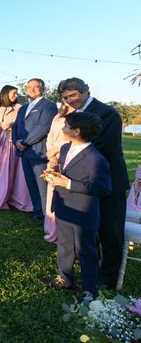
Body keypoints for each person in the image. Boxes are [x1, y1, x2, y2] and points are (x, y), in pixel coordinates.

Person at [57, 77, 130, 290]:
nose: (71, 100)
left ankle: (107, 277)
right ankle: (90, 268)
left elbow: (101, 147)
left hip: (108, 181)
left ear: (86, 90)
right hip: (79, 182)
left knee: (109, 229)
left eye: (73, 95)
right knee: (88, 228)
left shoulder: (108, 113)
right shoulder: (72, 115)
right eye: (65, 97)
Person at [46, 112, 112, 303]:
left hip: (83, 213)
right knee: (64, 245)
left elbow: (103, 188)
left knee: (86, 251)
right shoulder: (66, 147)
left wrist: (68, 184)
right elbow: (65, 170)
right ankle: (65, 279)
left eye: (66, 126)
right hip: (63, 206)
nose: (63, 128)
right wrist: (54, 173)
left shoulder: (96, 159)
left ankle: (89, 290)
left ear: (77, 131)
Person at [12, 78, 57, 222]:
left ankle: (47, 217)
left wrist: (25, 142)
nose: (31, 89)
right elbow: (15, 126)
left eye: (35, 87)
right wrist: (16, 142)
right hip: (24, 152)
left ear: (42, 89)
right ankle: (38, 212)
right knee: (31, 185)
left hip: (38, 152)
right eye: (29, 87)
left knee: (43, 188)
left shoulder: (49, 106)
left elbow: (43, 127)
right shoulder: (23, 107)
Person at [43, 99, 75, 243]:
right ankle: (51, 230)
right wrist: (51, 153)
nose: (68, 99)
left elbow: (73, 138)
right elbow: (50, 135)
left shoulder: (79, 115)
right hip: (52, 157)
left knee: (64, 192)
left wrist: (56, 150)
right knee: (52, 192)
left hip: (68, 156)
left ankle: (64, 232)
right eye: (65, 96)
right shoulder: (58, 116)